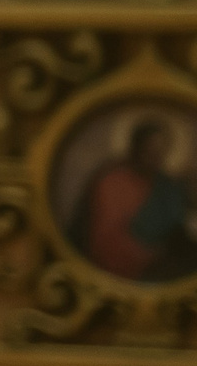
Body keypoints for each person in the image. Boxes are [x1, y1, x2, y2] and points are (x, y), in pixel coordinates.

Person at [72, 118, 197, 282]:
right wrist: (148, 255)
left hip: (166, 266)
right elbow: (105, 240)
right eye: (149, 150)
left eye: (160, 152)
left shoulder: (168, 186)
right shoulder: (113, 181)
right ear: (136, 148)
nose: (155, 157)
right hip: (120, 272)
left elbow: (181, 225)